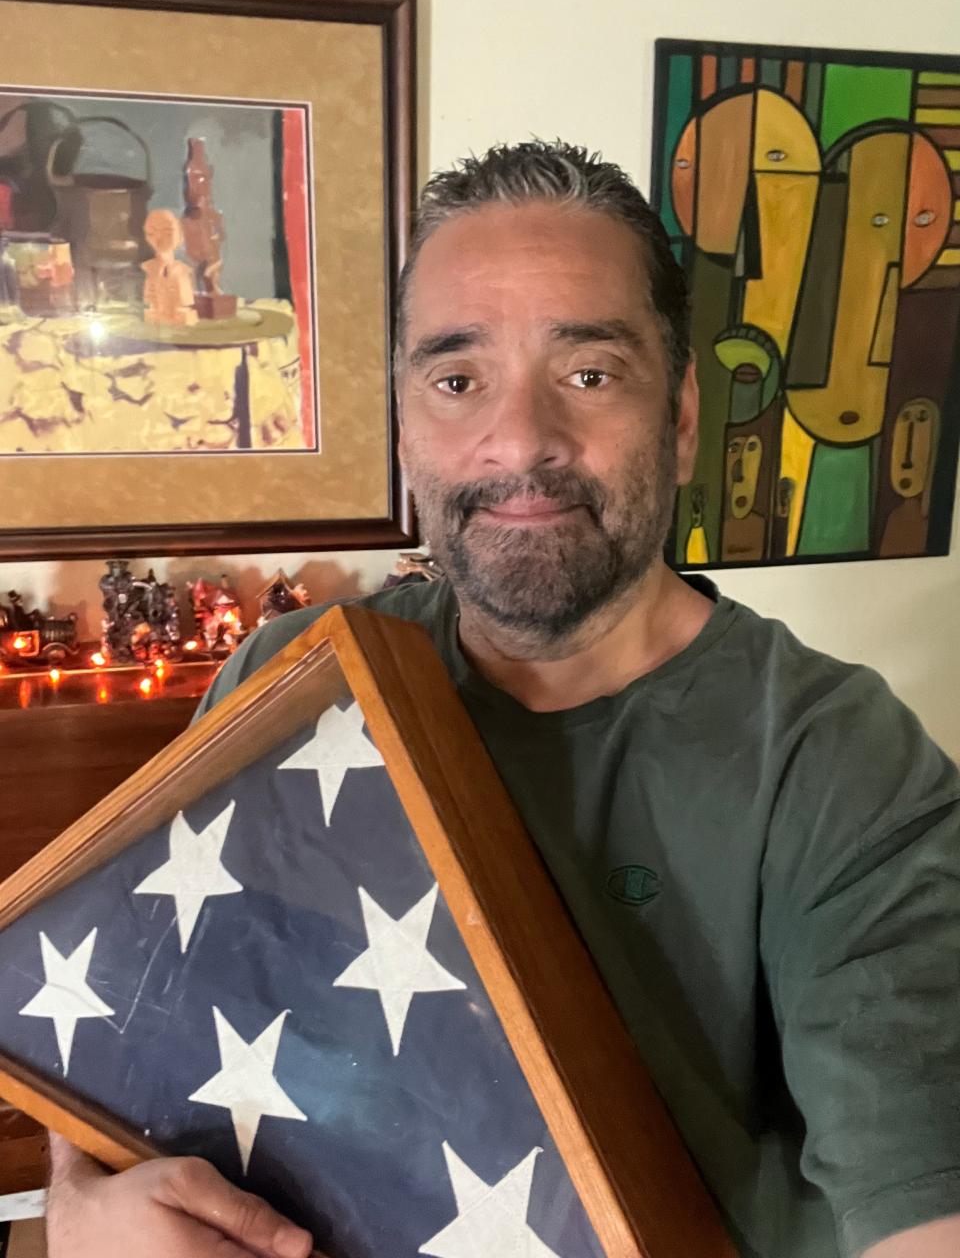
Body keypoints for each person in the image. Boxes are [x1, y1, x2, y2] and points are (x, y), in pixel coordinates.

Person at [47, 141, 960, 1258]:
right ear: (405, 427)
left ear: (678, 416)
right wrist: (85, 1211)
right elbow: (125, 1024)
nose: (522, 440)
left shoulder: (837, 761)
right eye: (458, 377)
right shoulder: (288, 678)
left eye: (588, 372)